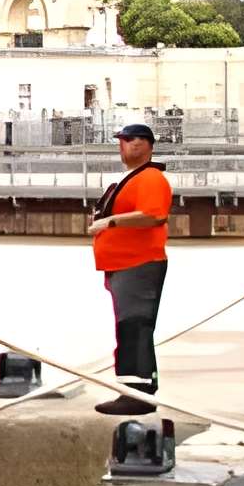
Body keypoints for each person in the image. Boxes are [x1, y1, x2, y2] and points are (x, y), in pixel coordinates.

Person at [88, 119, 173, 417]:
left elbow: (153, 215)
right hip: (125, 264)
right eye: (123, 141)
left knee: (133, 326)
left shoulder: (150, 179)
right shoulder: (135, 178)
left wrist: (110, 221)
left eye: (129, 140)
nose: (125, 146)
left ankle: (135, 393)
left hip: (138, 263)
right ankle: (138, 388)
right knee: (131, 327)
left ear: (142, 144)